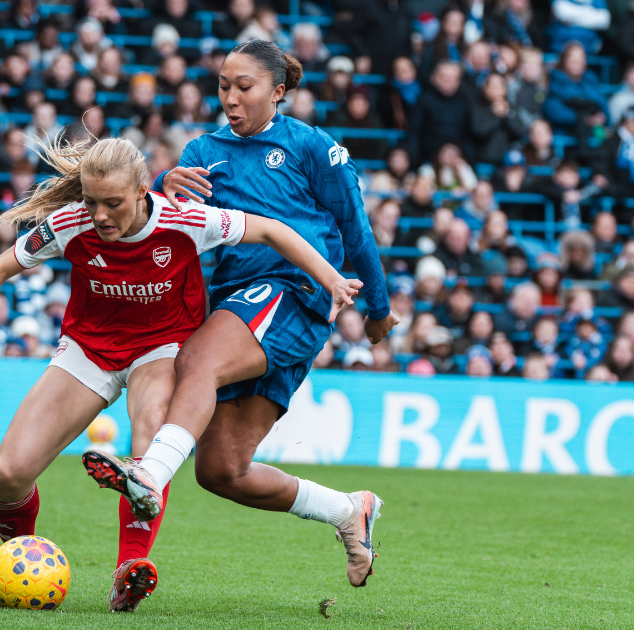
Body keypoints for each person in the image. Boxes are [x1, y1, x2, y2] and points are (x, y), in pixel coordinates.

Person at [0, 135, 362, 611]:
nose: (100, 216)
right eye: (92, 202)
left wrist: (330, 277)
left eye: (112, 203)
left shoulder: (185, 219)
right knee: (10, 474)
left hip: (162, 347)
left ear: (141, 190)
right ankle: (15, 561)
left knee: (148, 449)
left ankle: (128, 569)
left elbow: (272, 231)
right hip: (88, 350)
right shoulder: (69, 223)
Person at [80, 40, 397, 590]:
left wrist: (379, 309)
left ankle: (150, 474)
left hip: (292, 293)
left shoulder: (312, 148)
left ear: (278, 92)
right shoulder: (203, 151)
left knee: (198, 359)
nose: (230, 97)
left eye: (243, 87)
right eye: (223, 86)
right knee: (221, 471)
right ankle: (349, 510)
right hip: (232, 304)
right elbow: (156, 228)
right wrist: (160, 191)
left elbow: (356, 229)